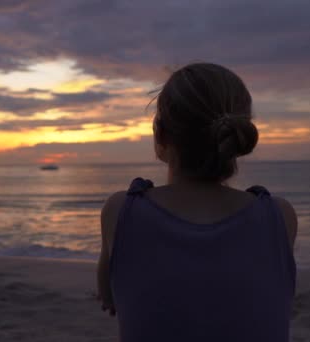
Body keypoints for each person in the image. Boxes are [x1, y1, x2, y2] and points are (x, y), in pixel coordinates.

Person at [96, 63, 297, 341]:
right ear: (238, 136)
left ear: (160, 135)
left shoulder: (121, 212)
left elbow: (109, 297)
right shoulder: (279, 216)